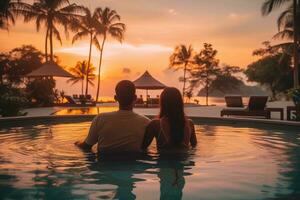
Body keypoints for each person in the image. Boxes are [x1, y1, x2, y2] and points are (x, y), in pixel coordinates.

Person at [75, 80, 150, 154]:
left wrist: (77, 143)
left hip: (103, 163)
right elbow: (144, 149)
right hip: (133, 164)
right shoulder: (146, 123)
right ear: (135, 97)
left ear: (115, 98)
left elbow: (86, 146)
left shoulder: (101, 119)